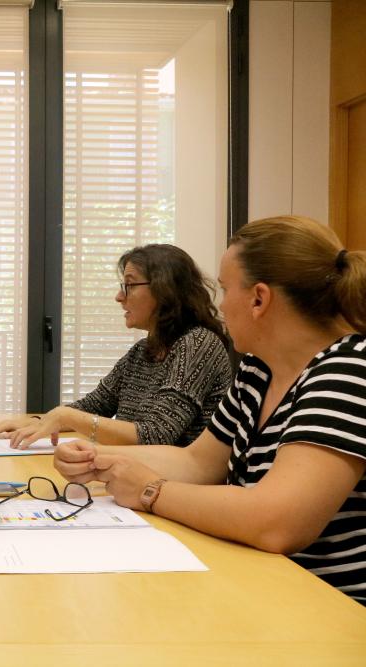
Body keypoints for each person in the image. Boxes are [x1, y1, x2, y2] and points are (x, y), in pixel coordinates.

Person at [55, 216, 366, 604]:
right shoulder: (259, 368)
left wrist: (151, 491)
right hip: (261, 585)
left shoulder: (348, 371)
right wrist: (100, 457)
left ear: (259, 299)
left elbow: (278, 522)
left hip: (330, 608)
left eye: (223, 289)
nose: (219, 304)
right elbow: (198, 462)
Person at [0, 244, 232, 447]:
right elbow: (94, 406)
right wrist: (36, 422)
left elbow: (157, 433)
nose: (119, 296)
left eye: (129, 285)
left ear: (165, 289)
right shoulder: (143, 351)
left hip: (175, 488)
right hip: (135, 476)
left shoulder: (198, 343)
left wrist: (65, 416)